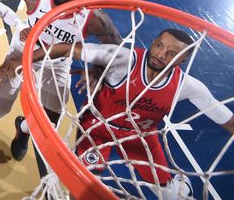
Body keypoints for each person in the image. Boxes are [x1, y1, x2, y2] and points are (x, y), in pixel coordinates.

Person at [24, 28, 234, 195]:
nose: (161, 55)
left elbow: (226, 119)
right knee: (86, 184)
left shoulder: (188, 85)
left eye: (172, 54)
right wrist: (22, 60)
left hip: (140, 137)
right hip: (97, 129)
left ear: (182, 60)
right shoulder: (124, 59)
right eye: (159, 46)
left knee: (170, 194)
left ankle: (180, 186)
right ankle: (24, 127)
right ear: (152, 43)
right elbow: (66, 48)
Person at [0, 0, 122, 161]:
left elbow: (116, 45)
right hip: (21, 55)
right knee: (4, 102)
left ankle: (23, 130)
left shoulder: (92, 18)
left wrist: (97, 69)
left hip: (55, 65)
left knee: (50, 119)